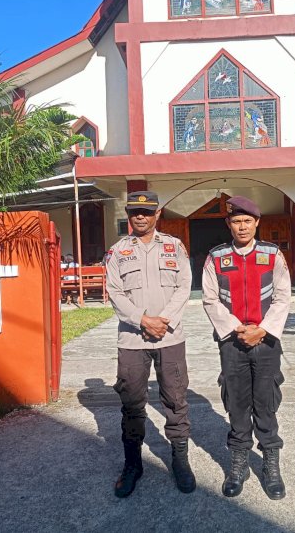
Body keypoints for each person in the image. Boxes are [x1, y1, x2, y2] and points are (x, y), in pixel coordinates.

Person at [104, 191, 195, 497]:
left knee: (175, 400)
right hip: (132, 340)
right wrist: (144, 320)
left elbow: (185, 286)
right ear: (129, 215)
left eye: (146, 211)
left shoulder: (175, 246)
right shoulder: (117, 252)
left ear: (157, 214)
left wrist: (163, 319)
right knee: (131, 405)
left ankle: (180, 461)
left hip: (170, 337)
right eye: (134, 212)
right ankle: (133, 465)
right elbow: (115, 293)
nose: (140, 216)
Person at [202, 196, 292, 500]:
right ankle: (238, 464)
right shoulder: (216, 257)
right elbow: (210, 299)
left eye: (247, 221)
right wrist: (235, 329)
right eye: (236, 221)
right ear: (229, 224)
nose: (242, 226)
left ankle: (270, 465)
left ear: (257, 223)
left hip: (266, 341)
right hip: (232, 342)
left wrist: (263, 329)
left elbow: (283, 297)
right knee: (237, 404)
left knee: (266, 403)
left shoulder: (272, 254)